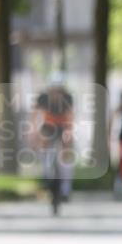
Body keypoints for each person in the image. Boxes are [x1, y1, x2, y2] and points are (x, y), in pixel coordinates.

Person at [31, 72, 74, 202]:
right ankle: (45, 171)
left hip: (63, 125)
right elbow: (35, 115)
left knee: (66, 148)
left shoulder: (68, 98)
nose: (56, 94)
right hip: (48, 125)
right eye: (54, 91)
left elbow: (70, 116)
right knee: (43, 138)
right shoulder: (43, 97)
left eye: (59, 91)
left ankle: (66, 188)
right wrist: (33, 131)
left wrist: (69, 132)